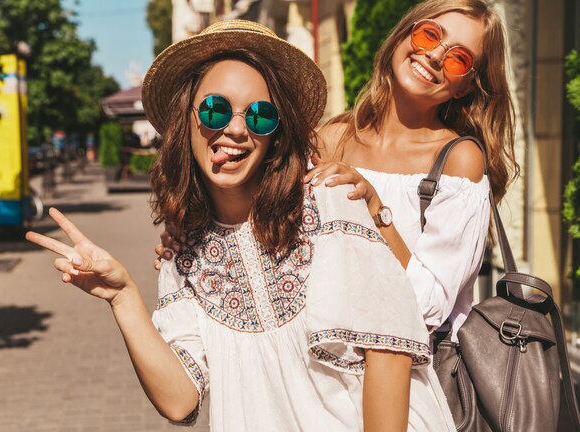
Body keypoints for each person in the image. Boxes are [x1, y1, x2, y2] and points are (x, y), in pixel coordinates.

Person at [27, 20, 455, 432]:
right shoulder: (184, 254)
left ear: (277, 134)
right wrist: (122, 297)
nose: (235, 129)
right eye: (214, 110)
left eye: (259, 117)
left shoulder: (329, 201)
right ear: (186, 119)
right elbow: (180, 400)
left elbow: (389, 349)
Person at [304, 0, 518, 344]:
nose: (434, 56)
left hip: (406, 379)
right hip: (317, 369)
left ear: (464, 86)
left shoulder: (458, 161)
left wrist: (375, 208)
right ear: (405, 35)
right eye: (430, 35)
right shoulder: (332, 138)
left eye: (458, 58)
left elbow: (428, 307)